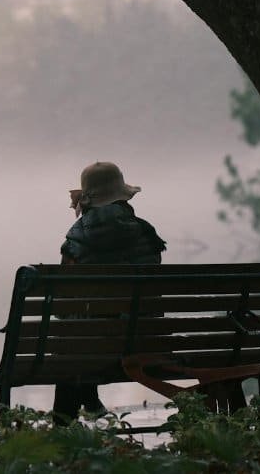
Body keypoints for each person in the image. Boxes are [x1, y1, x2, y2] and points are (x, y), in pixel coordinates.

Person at [53, 161, 166, 425]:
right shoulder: (147, 235)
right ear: (123, 198)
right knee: (81, 341)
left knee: (71, 348)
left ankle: (64, 432)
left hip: (90, 354)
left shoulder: (75, 242)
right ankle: (89, 403)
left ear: (87, 200)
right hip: (146, 345)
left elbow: (60, 309)